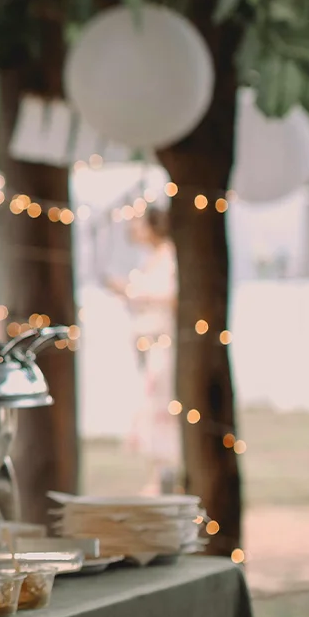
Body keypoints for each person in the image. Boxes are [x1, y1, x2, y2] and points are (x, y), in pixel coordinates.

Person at [109, 204, 180, 493]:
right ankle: (159, 471)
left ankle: (166, 472)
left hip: (164, 344)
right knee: (152, 406)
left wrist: (131, 292)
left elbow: (169, 296)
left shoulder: (169, 257)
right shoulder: (153, 259)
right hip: (149, 344)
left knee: (162, 406)